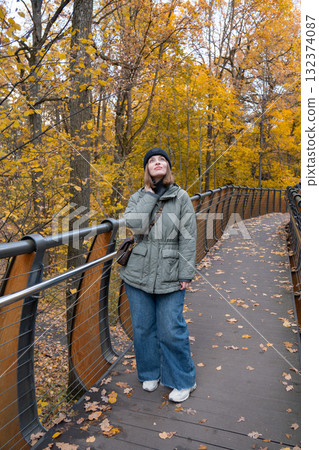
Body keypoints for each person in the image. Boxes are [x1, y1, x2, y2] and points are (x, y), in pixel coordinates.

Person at [120, 147, 197, 402]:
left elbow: (188, 236)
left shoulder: (181, 197)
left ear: (168, 167)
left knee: (171, 328)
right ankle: (150, 373)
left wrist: (186, 272)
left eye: (161, 159)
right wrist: (150, 196)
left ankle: (184, 380)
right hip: (137, 274)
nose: (156, 162)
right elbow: (135, 224)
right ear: (147, 169)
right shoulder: (137, 197)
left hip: (171, 273)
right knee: (142, 328)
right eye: (151, 161)